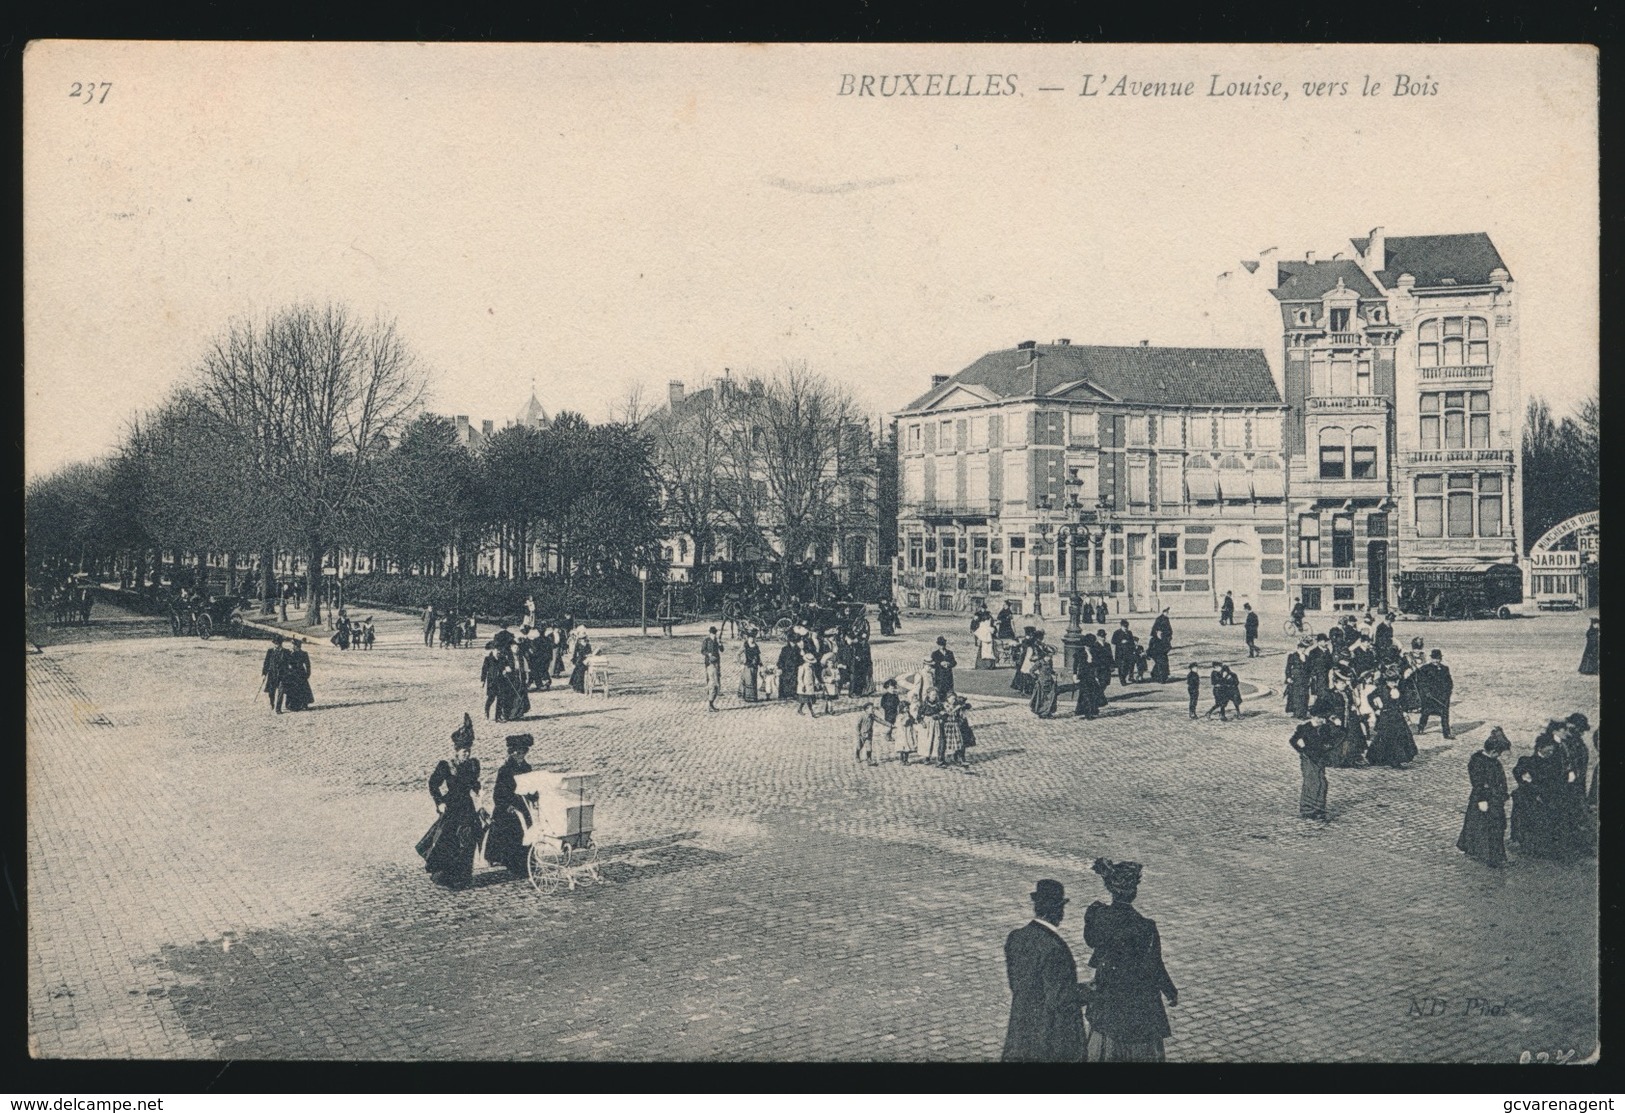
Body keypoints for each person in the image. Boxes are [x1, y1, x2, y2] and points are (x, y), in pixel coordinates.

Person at [1083, 859, 1178, 1063]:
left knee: (1104, 1046)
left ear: (1111, 889)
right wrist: (1170, 991)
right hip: (1139, 1000)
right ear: (1134, 892)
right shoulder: (1145, 927)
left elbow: (1090, 941)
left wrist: (1091, 916)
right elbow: (1155, 965)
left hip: (1108, 994)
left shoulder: (1098, 915)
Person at [1001, 879, 1090, 1063]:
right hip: (1049, 1039)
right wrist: (1088, 992)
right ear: (1059, 911)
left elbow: (1018, 984)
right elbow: (1059, 999)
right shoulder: (1055, 948)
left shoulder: (1016, 937)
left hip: (1021, 1031)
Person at [418, 714, 482, 889]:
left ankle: (464, 875)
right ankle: (445, 875)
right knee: (448, 841)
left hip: (467, 807)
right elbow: (433, 784)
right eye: (463, 751)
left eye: (468, 751)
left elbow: (474, 784)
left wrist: (478, 791)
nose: (466, 754)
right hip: (452, 807)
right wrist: (439, 802)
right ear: (456, 751)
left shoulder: (473, 765)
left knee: (468, 840)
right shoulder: (446, 766)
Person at [1511, 730, 1571, 859]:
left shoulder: (1554, 762)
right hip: (1530, 796)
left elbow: (1558, 778)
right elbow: (1519, 775)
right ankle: (1528, 846)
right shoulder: (1527, 761)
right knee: (1530, 821)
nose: (1550, 754)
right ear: (1540, 748)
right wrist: (1528, 784)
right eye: (1548, 751)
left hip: (1548, 795)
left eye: (1552, 751)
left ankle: (1546, 846)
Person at [1457, 727, 1512, 866]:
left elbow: (1501, 779)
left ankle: (1482, 852)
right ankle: (1493, 858)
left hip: (1495, 799)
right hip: (1483, 800)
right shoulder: (1477, 761)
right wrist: (1482, 800)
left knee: (1492, 827)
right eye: (1498, 753)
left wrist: (1503, 793)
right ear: (1493, 751)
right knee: (1488, 828)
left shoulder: (1494, 762)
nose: (1499, 757)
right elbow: (1477, 783)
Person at [483, 734, 535, 875]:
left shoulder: (527, 768)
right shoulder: (505, 770)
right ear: (511, 753)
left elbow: (531, 787)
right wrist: (508, 806)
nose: (519, 755)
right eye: (516, 752)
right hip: (507, 808)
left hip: (523, 806)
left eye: (522, 752)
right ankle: (513, 864)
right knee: (512, 834)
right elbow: (498, 794)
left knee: (529, 831)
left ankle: (527, 861)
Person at [1288, 698, 1337, 820]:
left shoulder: (1325, 728)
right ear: (1313, 716)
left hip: (1320, 758)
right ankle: (1308, 809)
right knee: (1312, 782)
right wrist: (1302, 750)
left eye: (1323, 717)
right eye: (1319, 717)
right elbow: (1293, 740)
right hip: (1308, 758)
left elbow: (1336, 738)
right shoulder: (1304, 728)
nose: (1321, 720)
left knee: (1322, 782)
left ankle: (1319, 807)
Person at [1365, 667, 1418, 768]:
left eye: (1396, 681)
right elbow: (1370, 697)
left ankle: (1398, 759)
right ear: (1387, 681)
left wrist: (1405, 712)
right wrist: (1376, 709)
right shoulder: (1381, 689)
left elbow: (1403, 701)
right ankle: (1383, 759)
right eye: (1393, 682)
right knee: (1386, 737)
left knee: (1401, 736)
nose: (1395, 684)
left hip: (1398, 715)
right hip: (1386, 716)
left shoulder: (1398, 689)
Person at [1415, 649, 1455, 739]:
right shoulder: (1425, 669)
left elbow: (1449, 682)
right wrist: (1426, 692)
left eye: (1438, 658)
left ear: (1440, 659)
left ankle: (1447, 733)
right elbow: (1421, 682)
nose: (1436, 661)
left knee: (1445, 714)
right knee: (1425, 713)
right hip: (1430, 696)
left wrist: (1448, 692)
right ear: (1431, 658)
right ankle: (1421, 727)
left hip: (1442, 696)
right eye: (1434, 658)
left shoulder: (1445, 668)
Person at [1073, 637, 1106, 719]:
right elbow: (1075, 665)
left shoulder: (1094, 652)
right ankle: (1088, 713)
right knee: (1086, 695)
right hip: (1083, 676)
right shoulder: (1079, 653)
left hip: (1091, 676)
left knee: (1093, 694)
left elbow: (1096, 665)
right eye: (1088, 645)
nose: (1089, 647)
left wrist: (1097, 676)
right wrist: (1074, 675)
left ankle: (1090, 711)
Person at [280, 638, 314, 711]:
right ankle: (291, 705)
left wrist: (308, 674)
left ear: (297, 646)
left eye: (293, 645)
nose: (292, 646)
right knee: (292, 689)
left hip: (301, 673)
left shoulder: (304, 653)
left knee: (303, 689)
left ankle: (304, 704)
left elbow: (308, 665)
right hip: (292, 674)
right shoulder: (290, 653)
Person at [1029, 650, 1060, 719]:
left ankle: (1048, 712)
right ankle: (1042, 713)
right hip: (1042, 682)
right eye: (1049, 656)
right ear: (1045, 656)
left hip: (1050, 681)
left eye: (1051, 656)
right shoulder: (1039, 662)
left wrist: (1054, 673)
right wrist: (1036, 677)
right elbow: (1031, 671)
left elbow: (1050, 670)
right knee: (1042, 698)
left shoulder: (1050, 662)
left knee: (1051, 697)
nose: (1050, 658)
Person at [262, 634, 289, 713]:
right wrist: (264, 672)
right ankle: (272, 703)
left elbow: (290, 662)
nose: (277, 645)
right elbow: (266, 662)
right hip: (272, 674)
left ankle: (278, 708)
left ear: (281, 644)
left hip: (282, 675)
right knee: (271, 692)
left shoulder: (286, 652)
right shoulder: (270, 651)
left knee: (281, 691)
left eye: (278, 643)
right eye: (275, 643)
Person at [1283, 641, 1310, 719]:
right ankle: (1297, 713)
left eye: (1305, 648)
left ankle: (1303, 713)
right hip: (1296, 679)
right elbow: (1288, 668)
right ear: (1298, 647)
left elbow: (1308, 669)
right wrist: (1288, 677)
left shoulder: (1306, 657)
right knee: (1297, 696)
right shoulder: (1292, 656)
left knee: (1304, 695)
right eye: (1302, 648)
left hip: (1304, 679)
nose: (1303, 649)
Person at [701, 626, 724, 712]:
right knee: (712, 682)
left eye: (715, 634)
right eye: (713, 634)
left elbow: (722, 650)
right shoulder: (706, 640)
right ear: (710, 633)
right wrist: (708, 654)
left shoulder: (717, 641)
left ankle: (713, 696)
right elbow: (702, 651)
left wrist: (720, 644)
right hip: (710, 663)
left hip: (717, 662)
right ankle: (711, 703)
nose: (714, 635)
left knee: (717, 679)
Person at [795, 650, 820, 717]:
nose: (811, 663)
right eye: (809, 662)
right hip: (804, 687)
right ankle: (812, 713)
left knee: (807, 700)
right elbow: (799, 678)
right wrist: (802, 685)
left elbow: (814, 676)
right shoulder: (802, 668)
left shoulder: (812, 668)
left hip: (810, 686)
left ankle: (800, 709)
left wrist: (816, 682)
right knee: (807, 700)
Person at [1111, 620, 1137, 685]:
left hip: (1129, 653)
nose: (1126, 628)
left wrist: (1133, 650)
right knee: (1121, 667)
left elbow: (1132, 642)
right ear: (1121, 626)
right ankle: (1122, 680)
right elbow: (1113, 641)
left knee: (1128, 666)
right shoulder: (1117, 632)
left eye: (1127, 627)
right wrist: (1120, 641)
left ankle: (1128, 677)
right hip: (1120, 653)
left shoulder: (1129, 632)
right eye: (1125, 627)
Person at [738, 631, 761, 702]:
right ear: (748, 639)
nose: (752, 640)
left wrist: (761, 665)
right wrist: (741, 663)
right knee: (748, 681)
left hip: (754, 666)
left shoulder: (756, 646)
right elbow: (738, 654)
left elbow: (758, 656)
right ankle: (747, 697)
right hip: (747, 666)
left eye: (753, 638)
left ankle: (753, 697)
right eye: (751, 638)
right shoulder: (745, 646)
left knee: (753, 681)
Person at [776, 636, 801, 702]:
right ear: (789, 642)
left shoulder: (798, 649)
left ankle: (793, 694)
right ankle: (783, 696)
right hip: (785, 668)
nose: (794, 643)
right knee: (784, 681)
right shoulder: (785, 649)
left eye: (795, 642)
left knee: (794, 681)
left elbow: (800, 659)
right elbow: (781, 659)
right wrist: (780, 667)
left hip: (794, 668)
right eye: (793, 642)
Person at [849, 632, 875, 697]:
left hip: (864, 663)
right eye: (862, 639)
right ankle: (856, 692)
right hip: (857, 664)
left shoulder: (865, 645)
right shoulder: (856, 645)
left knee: (865, 678)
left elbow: (867, 655)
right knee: (857, 678)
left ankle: (865, 691)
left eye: (865, 638)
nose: (864, 640)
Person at [854, 700, 877, 765]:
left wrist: (890, 725)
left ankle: (869, 759)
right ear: (866, 710)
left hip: (869, 734)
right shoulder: (862, 716)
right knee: (859, 746)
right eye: (872, 708)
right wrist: (858, 733)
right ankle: (857, 755)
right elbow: (857, 725)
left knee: (869, 747)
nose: (873, 710)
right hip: (861, 735)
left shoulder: (872, 716)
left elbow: (880, 720)